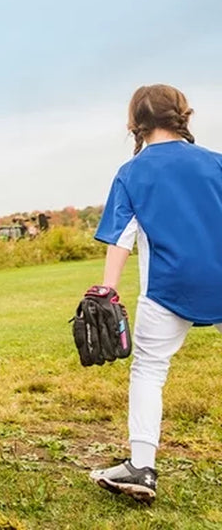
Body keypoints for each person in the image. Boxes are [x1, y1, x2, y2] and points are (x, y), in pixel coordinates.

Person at [87, 84, 222, 503]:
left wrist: (107, 290)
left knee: (149, 369)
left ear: (135, 124)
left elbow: (121, 239)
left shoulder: (131, 172)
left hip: (170, 287)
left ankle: (142, 467)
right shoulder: (216, 163)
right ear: (183, 114)